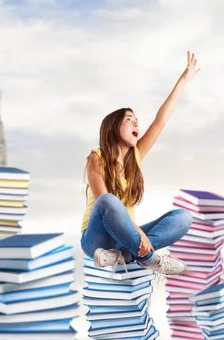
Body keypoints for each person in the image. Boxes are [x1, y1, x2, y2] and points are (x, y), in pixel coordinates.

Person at [80, 51, 200, 275]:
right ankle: (151, 259)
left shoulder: (134, 158)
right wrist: (140, 234)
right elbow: (103, 203)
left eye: (137, 121)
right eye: (129, 120)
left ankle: (125, 255)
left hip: (124, 240)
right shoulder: (97, 157)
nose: (136, 124)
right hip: (95, 239)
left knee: (183, 217)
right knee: (108, 201)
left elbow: (161, 120)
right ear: (113, 127)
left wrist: (183, 81)